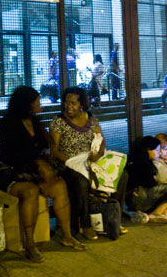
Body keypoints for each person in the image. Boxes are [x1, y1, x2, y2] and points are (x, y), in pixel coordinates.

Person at [0, 86, 86, 263]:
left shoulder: (35, 121)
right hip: (11, 172)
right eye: (37, 102)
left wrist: (47, 160)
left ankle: (66, 235)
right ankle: (30, 244)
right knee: (30, 192)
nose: (40, 105)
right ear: (27, 104)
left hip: (34, 171)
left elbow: (47, 145)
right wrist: (37, 164)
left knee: (59, 186)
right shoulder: (8, 123)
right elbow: (13, 155)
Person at [49, 87, 128, 240]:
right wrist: (70, 162)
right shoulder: (58, 121)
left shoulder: (91, 119)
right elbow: (54, 149)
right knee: (82, 181)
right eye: (66, 103)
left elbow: (101, 139)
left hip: (91, 159)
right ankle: (85, 225)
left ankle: (114, 218)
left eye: (73, 103)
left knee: (122, 175)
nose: (68, 106)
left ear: (82, 104)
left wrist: (98, 154)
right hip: (68, 163)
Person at [126, 136, 167, 224]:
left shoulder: (147, 161)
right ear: (148, 150)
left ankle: (149, 214)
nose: (158, 153)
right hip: (139, 197)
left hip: (142, 199)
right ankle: (156, 213)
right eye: (157, 150)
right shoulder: (142, 163)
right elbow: (150, 184)